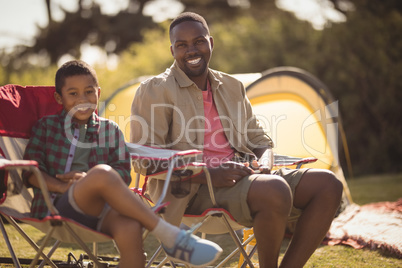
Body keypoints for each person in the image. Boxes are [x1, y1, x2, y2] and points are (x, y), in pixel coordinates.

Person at [130, 12, 343, 268]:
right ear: (172, 50)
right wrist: (209, 173)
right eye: (182, 45)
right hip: (190, 191)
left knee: (328, 185)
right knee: (274, 190)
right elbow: (144, 160)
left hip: (244, 178)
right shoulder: (155, 89)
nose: (191, 50)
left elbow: (259, 139)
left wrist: (265, 162)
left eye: (198, 41)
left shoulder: (232, 86)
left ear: (211, 43)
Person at [23, 60, 222, 268]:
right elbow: (30, 172)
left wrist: (92, 182)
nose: (83, 99)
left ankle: (167, 237)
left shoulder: (110, 130)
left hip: (101, 209)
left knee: (130, 228)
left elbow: (123, 174)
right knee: (101, 173)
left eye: (89, 92)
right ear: (59, 97)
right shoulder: (46, 127)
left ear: (98, 93)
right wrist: (67, 186)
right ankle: (171, 236)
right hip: (57, 206)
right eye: (73, 94)